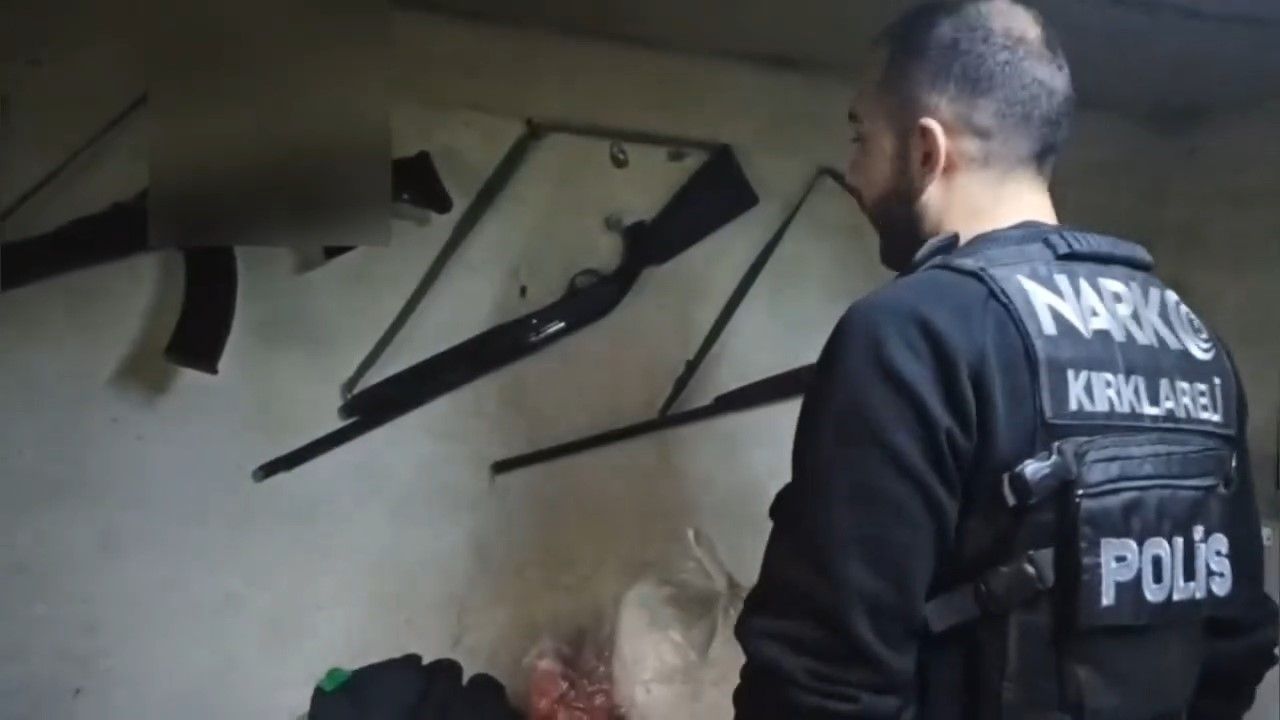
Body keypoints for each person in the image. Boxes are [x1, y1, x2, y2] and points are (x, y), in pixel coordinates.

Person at [733, 1, 1279, 718]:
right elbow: (1236, 641)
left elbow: (819, 683)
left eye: (862, 138)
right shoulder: (1192, 339)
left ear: (926, 151)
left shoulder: (909, 333)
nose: (854, 174)